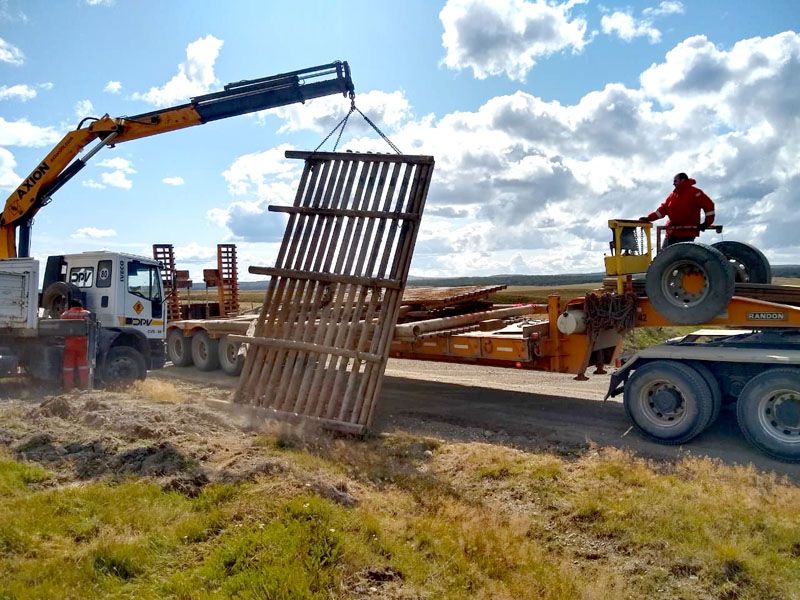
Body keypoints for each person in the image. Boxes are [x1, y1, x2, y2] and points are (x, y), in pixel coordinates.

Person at [640, 173, 715, 246]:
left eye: (675, 181)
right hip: (672, 232)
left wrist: (707, 223)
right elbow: (662, 210)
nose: (673, 183)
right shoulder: (672, 196)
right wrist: (649, 218)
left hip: (687, 232)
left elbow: (709, 206)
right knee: (664, 255)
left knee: (680, 255)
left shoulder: (695, 192)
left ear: (682, 180)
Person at [61, 298, 91, 390]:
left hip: (69, 344)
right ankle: (84, 386)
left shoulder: (65, 314)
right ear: (81, 306)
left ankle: (68, 387)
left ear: (71, 306)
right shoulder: (86, 314)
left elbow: (61, 327)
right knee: (83, 367)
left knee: (68, 368)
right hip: (83, 345)